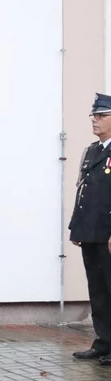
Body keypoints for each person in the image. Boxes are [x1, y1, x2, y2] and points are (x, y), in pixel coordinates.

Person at [70, 93, 111, 364]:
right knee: (97, 289)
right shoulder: (92, 151)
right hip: (91, 232)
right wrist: (77, 226)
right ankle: (103, 342)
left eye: (101, 116)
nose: (95, 120)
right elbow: (83, 190)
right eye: (93, 116)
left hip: (108, 233)